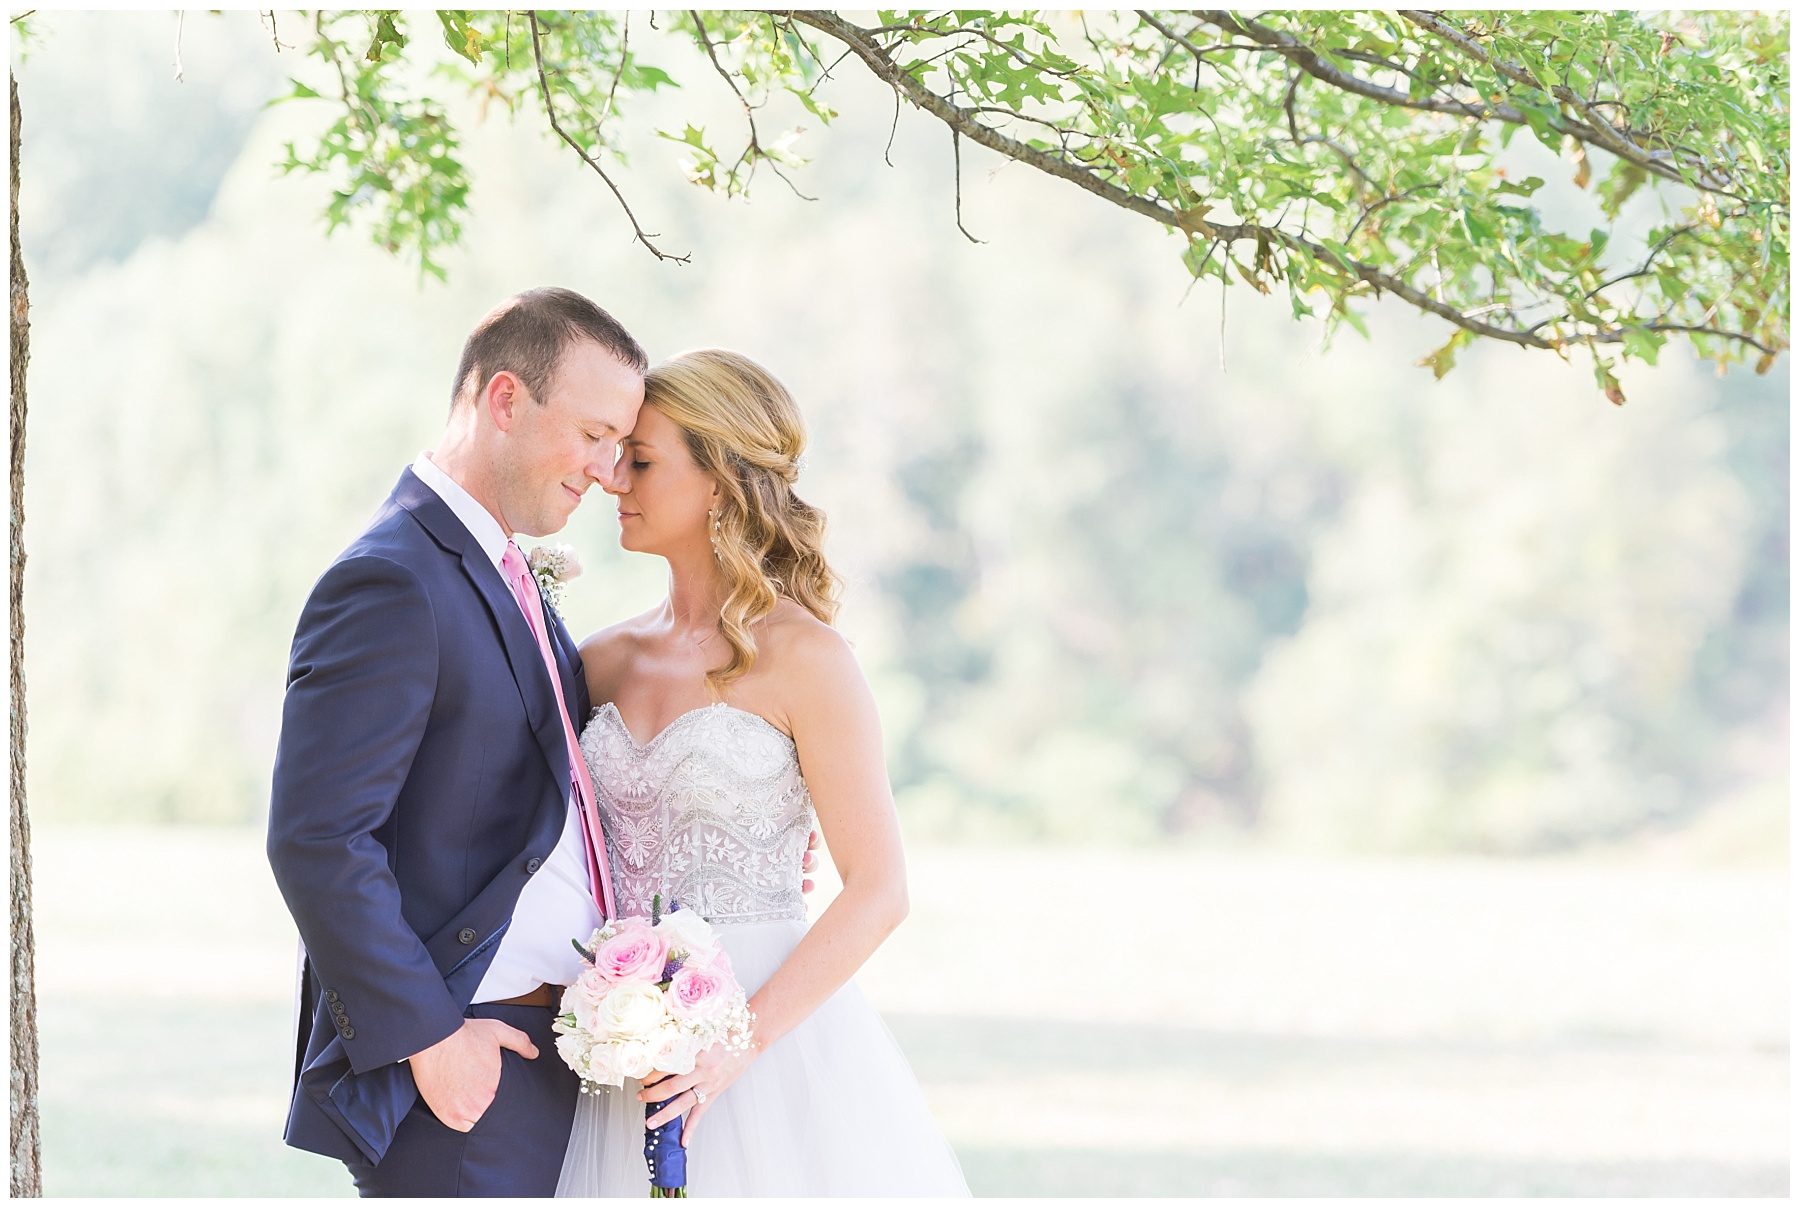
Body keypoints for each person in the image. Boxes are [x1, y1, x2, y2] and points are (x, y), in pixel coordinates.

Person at [555, 348, 970, 1196]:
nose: (611, 479)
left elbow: (879, 888)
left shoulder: (808, 659)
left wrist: (734, 1045)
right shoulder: (599, 661)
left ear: (719, 482)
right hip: (622, 1046)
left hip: (770, 1040)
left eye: (641, 461)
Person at [266, 287, 648, 1196]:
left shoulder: (500, 568)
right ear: (505, 399)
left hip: (555, 1056)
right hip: (465, 1076)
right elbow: (318, 838)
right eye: (594, 434)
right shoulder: (391, 580)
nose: (607, 471)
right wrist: (431, 1041)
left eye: (621, 445)